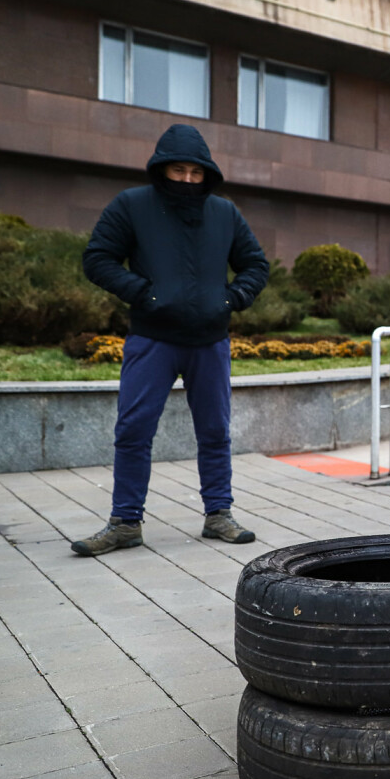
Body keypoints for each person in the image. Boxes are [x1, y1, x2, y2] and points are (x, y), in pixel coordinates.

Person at [72, 124, 269, 556]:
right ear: (162, 169)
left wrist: (232, 298)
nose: (186, 179)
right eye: (178, 170)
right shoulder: (131, 205)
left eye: (195, 173)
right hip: (152, 339)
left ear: (206, 173)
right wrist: (143, 292)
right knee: (134, 430)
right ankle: (125, 522)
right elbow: (97, 258)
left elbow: (255, 265)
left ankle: (219, 515)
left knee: (215, 431)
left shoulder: (225, 213)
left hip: (210, 340)